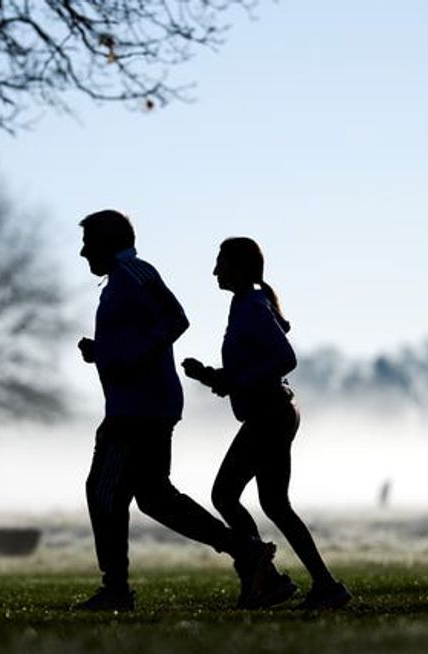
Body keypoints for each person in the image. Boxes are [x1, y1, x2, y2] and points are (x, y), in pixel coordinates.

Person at [75, 210, 280, 612]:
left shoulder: (134, 273)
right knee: (154, 497)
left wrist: (125, 357)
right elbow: (138, 339)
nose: (83, 252)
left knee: (103, 492)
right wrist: (104, 353)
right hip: (147, 405)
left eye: (89, 242)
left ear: (110, 242)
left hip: (137, 410)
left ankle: (115, 588)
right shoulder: (121, 278)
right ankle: (246, 551)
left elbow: (175, 319)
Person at [182, 237, 352, 610]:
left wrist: (231, 380)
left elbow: (284, 358)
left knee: (225, 495)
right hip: (272, 411)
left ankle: (268, 578)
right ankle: (320, 584)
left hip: (269, 414)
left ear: (241, 267)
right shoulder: (246, 304)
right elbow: (252, 368)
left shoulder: (252, 307)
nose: (214, 271)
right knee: (274, 503)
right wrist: (212, 376)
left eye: (220, 264)